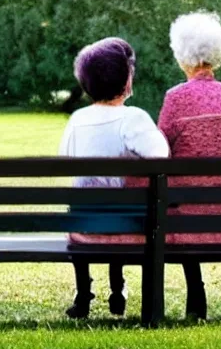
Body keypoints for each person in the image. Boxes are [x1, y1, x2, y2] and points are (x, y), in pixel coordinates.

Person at [60, 37, 169, 319]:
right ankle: (117, 289)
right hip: (126, 222)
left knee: (91, 202)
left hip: (82, 223)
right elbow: (161, 156)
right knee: (124, 201)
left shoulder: (77, 119)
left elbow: (66, 158)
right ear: (125, 77)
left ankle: (83, 293)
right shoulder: (133, 118)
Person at [158, 11, 221, 319]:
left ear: (182, 55)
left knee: (182, 199)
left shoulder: (176, 98)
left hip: (190, 219)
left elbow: (160, 149)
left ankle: (196, 298)